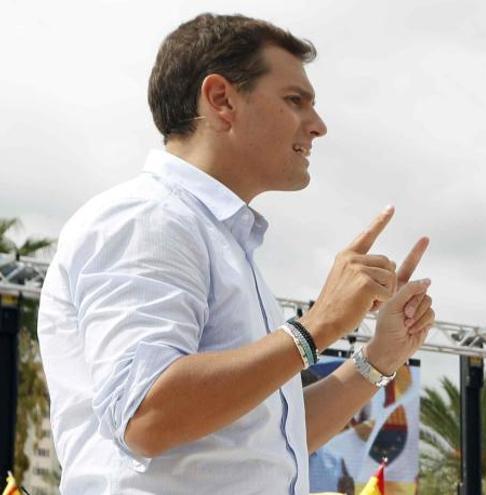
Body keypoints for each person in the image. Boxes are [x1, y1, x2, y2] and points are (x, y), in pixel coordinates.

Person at [37, 13, 435, 494]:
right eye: (295, 101)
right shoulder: (146, 219)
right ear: (222, 100)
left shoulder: (218, 240)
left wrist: (377, 360)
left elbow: (269, 439)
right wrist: (319, 325)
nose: (319, 126)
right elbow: (146, 416)